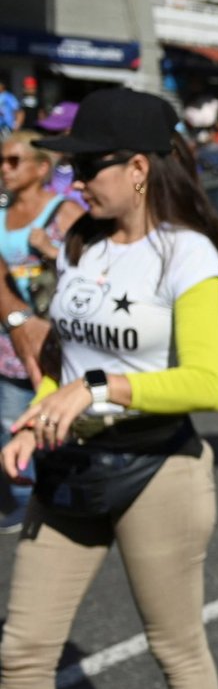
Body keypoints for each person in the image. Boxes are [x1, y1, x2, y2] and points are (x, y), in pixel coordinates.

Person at [0, 87, 218, 689]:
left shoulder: (188, 253)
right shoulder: (84, 246)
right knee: (23, 651)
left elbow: (205, 380)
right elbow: (62, 364)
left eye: (89, 166)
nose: (75, 181)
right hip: (74, 468)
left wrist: (100, 392)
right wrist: (36, 416)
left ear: (137, 168)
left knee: (176, 647)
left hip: (156, 469)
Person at [0, 129, 82, 528]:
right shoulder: (0, 212)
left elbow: (93, 269)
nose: (5, 169)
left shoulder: (63, 213)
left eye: (14, 161)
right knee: (10, 422)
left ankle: (63, 495)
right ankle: (24, 498)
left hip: (54, 342)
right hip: (6, 341)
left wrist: (50, 251)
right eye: (1, 161)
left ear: (41, 167)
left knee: (58, 421)